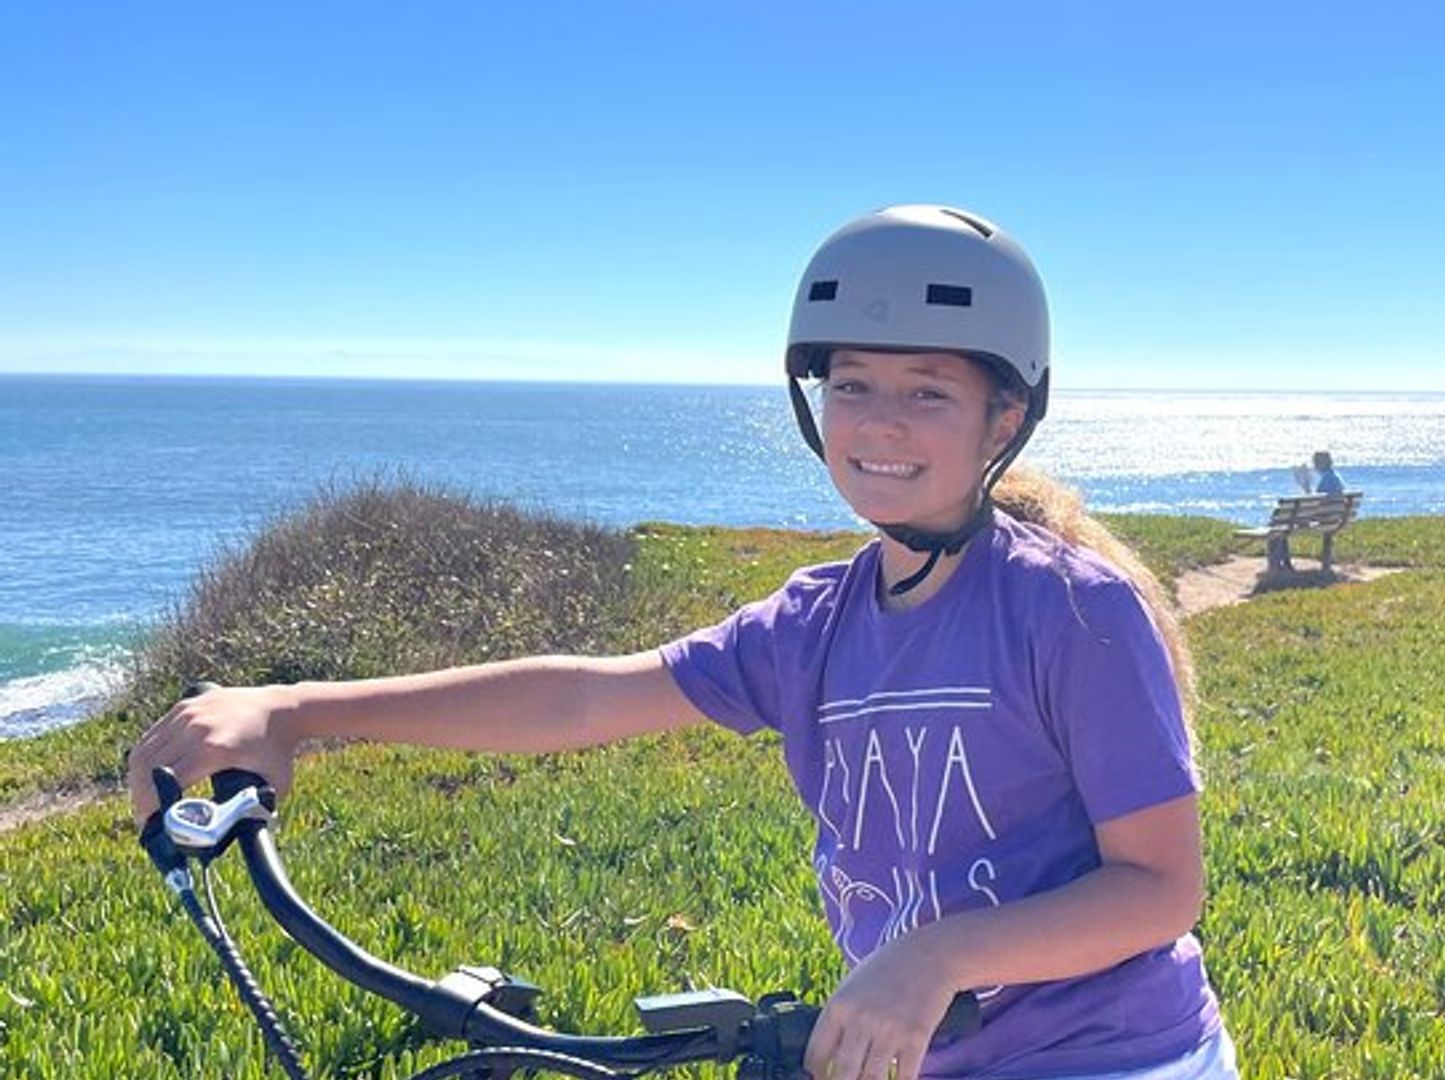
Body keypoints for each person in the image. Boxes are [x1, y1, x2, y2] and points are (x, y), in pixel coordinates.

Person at [127, 205, 1237, 1080]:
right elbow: (581, 699)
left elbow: (1157, 889)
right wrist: (297, 709)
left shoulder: (1072, 611)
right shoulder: (816, 623)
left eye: (929, 392)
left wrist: (943, 953)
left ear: (1005, 419)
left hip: (1115, 1057)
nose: (881, 422)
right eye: (852, 385)